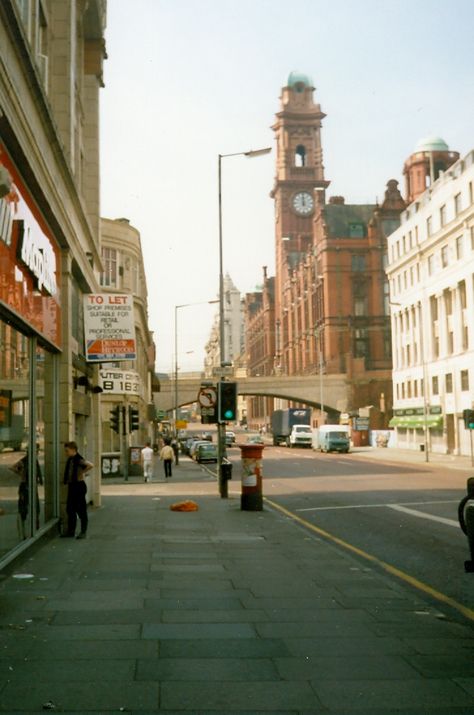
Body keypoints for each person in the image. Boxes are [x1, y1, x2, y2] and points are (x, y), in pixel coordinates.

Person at [62, 441, 93, 539]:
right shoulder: (70, 460)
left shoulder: (78, 459)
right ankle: (71, 531)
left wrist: (81, 472)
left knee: (81, 509)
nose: (66, 453)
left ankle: (83, 531)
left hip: (79, 486)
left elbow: (90, 465)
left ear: (73, 449)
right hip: (72, 485)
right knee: (70, 509)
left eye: (67, 451)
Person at [11, 446, 43, 538]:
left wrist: (40, 480)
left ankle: (36, 527)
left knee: (36, 506)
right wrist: (21, 474)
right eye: (35, 451)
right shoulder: (25, 460)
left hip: (33, 486)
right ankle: (23, 532)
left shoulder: (34, 460)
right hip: (25, 486)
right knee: (23, 508)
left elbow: (38, 471)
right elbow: (13, 467)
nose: (36, 453)